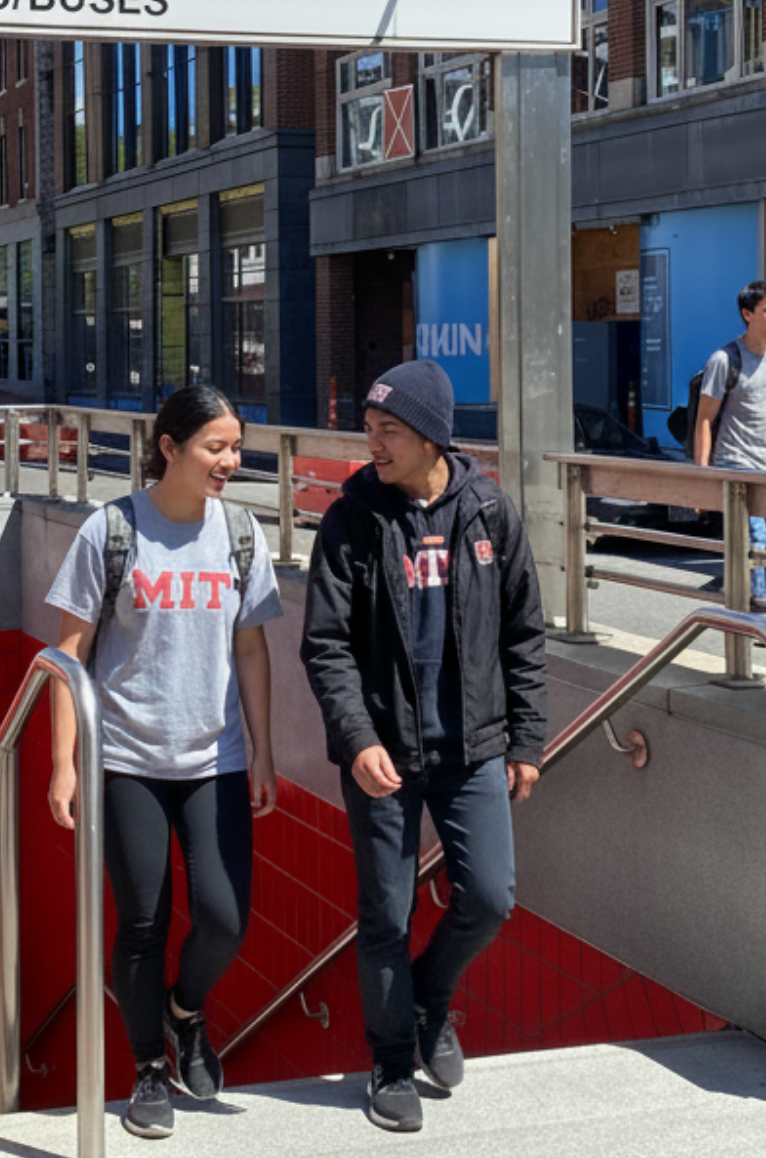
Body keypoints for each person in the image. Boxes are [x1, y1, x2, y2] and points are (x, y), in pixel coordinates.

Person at [301, 360, 547, 1134]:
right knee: (385, 913)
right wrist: (356, 737)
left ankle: (429, 1000)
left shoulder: (488, 512)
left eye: (389, 431)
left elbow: (523, 633)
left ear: (432, 435)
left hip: (473, 750)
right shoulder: (353, 519)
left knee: (490, 897)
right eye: (370, 429)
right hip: (382, 756)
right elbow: (326, 645)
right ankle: (387, 1061)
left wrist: (527, 739)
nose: (372, 442)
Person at [43, 385, 282, 1140]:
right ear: (170, 448)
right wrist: (65, 762)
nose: (230, 461)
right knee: (142, 921)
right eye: (216, 447)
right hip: (129, 759)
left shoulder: (240, 532)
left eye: (236, 447)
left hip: (215, 758)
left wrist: (264, 752)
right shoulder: (112, 530)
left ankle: (184, 1012)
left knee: (224, 917)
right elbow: (68, 652)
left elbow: (251, 647)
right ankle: (149, 1067)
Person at [693, 279, 766, 602]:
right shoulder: (724, 360)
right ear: (747, 314)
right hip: (737, 466)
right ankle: (758, 612)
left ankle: (735, 578)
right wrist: (701, 478)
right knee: (755, 538)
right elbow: (704, 419)